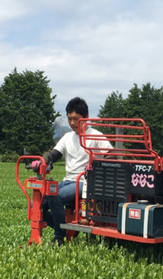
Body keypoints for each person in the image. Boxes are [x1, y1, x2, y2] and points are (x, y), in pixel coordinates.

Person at [33, 97, 112, 245]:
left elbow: (112, 157)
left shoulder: (96, 136)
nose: (73, 123)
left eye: (76, 119)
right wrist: (41, 161)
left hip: (85, 183)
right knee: (35, 206)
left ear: (86, 118)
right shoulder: (68, 137)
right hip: (68, 181)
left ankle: (59, 237)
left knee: (54, 196)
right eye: (70, 119)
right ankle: (64, 228)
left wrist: (98, 167)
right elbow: (53, 154)